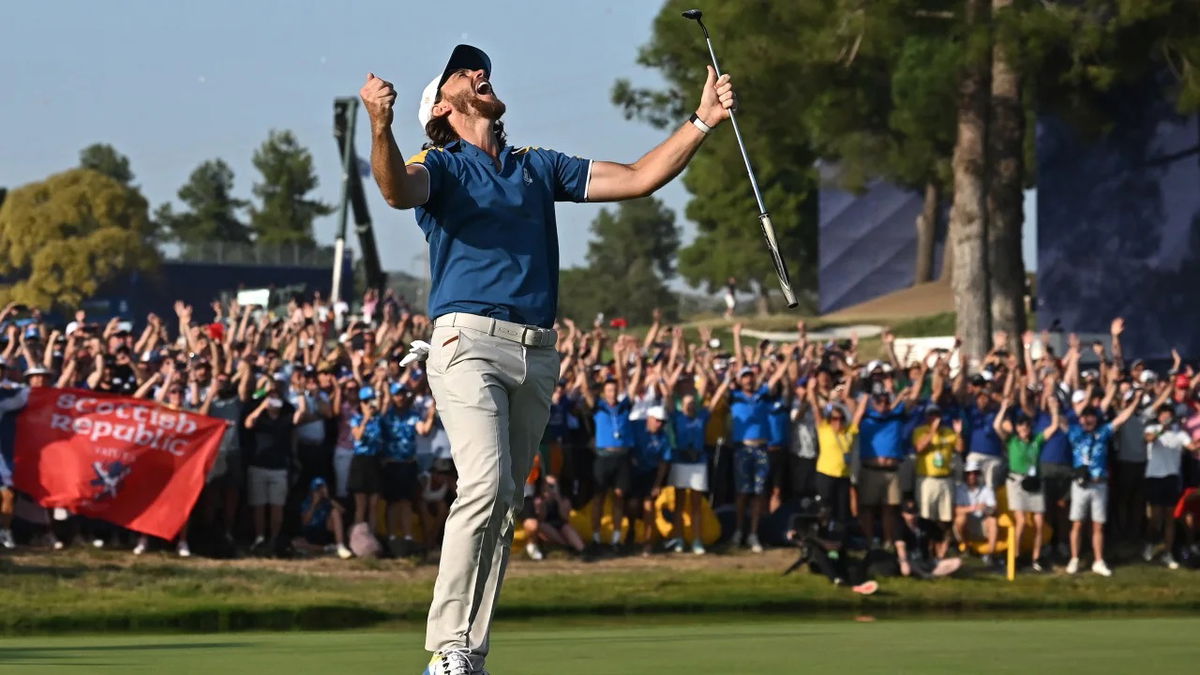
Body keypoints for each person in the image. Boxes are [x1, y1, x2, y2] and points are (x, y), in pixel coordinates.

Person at [361, 40, 737, 675]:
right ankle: (448, 645)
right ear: (443, 108)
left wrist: (701, 121)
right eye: (463, 73)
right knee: (484, 483)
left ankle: (468, 655)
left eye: (480, 68)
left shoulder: (537, 166)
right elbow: (398, 190)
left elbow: (640, 178)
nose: (480, 74)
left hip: (536, 352)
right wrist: (379, 124)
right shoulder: (441, 164)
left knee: (506, 500)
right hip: (465, 342)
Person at [1065, 390, 1139, 577]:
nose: (1087, 421)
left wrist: (1135, 401)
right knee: (1077, 523)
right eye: (1084, 418)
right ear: (1080, 419)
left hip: (1099, 484)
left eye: (1091, 417)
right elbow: (1058, 419)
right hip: (1080, 484)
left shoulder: (1103, 432)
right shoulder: (1075, 433)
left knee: (1098, 525)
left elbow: (1121, 419)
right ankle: (1074, 558)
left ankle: (1098, 560)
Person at [994, 396, 1061, 572]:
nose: (1024, 429)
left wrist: (1054, 409)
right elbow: (997, 426)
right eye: (1021, 426)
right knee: (1021, 521)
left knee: (1039, 521)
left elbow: (1053, 427)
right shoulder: (1012, 441)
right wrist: (1003, 408)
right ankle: (1015, 556)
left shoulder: (1036, 440)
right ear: (1017, 428)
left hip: (1034, 482)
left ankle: (1036, 558)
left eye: (1027, 426)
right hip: (1016, 481)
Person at [243, 384, 297, 554]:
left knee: (277, 506)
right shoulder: (259, 415)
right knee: (258, 505)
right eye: (271, 396)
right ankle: (260, 538)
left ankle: (274, 540)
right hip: (258, 465)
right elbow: (248, 424)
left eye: (277, 397)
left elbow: (299, 418)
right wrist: (261, 407)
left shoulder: (286, 415)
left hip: (279, 467)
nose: (274, 400)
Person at [1143, 405, 1195, 569]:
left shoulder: (1180, 434)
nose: (1166, 416)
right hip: (1154, 477)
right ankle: (1150, 542)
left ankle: (1167, 553)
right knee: (1155, 518)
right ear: (1159, 416)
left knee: (1169, 518)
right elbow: (1149, 439)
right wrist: (1162, 430)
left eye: (1169, 414)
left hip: (1171, 479)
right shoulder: (1152, 428)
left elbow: (1192, 447)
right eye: (1163, 414)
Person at [911, 404, 963, 560]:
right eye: (931, 415)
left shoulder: (948, 432)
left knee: (945, 518)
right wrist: (932, 432)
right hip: (927, 479)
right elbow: (919, 447)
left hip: (945, 479)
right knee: (926, 517)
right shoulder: (920, 431)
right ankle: (927, 550)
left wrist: (959, 433)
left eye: (937, 415)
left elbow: (960, 448)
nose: (935, 419)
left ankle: (942, 550)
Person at [667, 393, 711, 555]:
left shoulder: (702, 417)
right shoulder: (677, 417)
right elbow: (669, 397)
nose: (689, 405)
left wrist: (726, 380)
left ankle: (697, 540)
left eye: (692, 402)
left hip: (698, 462)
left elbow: (714, 399)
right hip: (680, 461)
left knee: (696, 504)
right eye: (686, 403)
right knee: (679, 504)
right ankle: (679, 538)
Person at [629, 405, 672, 556]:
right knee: (633, 505)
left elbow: (664, 463)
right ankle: (631, 531)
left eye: (662, 422)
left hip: (651, 473)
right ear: (649, 419)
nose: (659, 424)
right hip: (634, 472)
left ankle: (647, 543)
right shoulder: (636, 428)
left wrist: (657, 484)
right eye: (657, 421)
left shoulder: (663, 437)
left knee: (649, 505)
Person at [296, 477, 353, 560]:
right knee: (296, 543)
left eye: (322, 489)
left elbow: (343, 511)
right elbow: (305, 521)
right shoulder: (306, 503)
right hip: (311, 532)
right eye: (317, 490)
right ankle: (327, 549)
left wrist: (328, 498)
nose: (319, 492)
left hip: (325, 531)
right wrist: (314, 504)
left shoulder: (328, 502)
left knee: (335, 512)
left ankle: (340, 545)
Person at [954, 460, 999, 565]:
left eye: (975, 473)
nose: (972, 476)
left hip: (982, 523)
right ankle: (966, 547)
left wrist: (986, 508)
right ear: (965, 475)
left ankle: (990, 554)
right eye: (969, 473)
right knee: (961, 518)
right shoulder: (959, 489)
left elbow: (993, 508)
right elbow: (956, 509)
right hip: (967, 524)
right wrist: (974, 508)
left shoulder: (987, 489)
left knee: (992, 520)